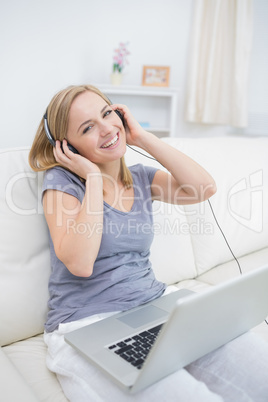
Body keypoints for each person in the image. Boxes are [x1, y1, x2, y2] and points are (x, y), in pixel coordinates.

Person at [29, 84, 268, 402]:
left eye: (107, 114)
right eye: (88, 128)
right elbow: (80, 263)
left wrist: (140, 137)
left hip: (156, 305)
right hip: (86, 325)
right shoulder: (63, 182)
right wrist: (95, 179)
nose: (106, 129)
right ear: (68, 147)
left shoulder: (140, 177)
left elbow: (204, 188)